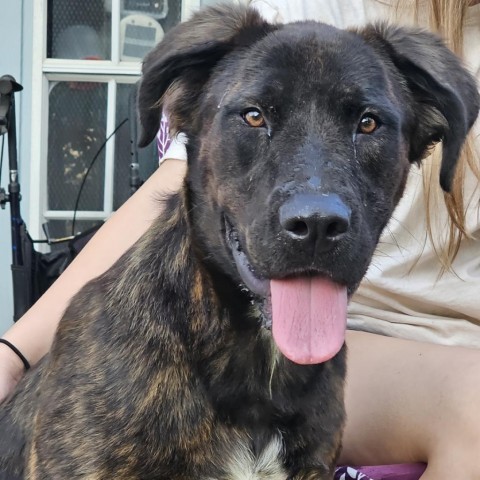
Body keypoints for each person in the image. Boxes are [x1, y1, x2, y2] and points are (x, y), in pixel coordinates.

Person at [1, 0, 479, 479]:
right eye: (254, 117)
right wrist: (13, 353)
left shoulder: (322, 382)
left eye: (367, 124)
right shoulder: (112, 380)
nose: (316, 206)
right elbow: (161, 194)